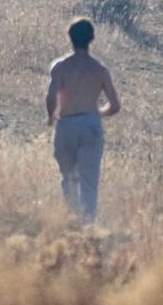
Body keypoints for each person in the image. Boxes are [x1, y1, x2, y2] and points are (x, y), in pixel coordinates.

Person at [46, 18, 120, 223]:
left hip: (66, 124)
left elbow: (51, 96)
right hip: (90, 125)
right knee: (89, 182)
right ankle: (88, 226)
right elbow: (115, 106)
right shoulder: (100, 69)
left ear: (70, 38)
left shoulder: (60, 67)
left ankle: (72, 218)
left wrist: (51, 116)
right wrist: (97, 113)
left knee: (68, 178)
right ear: (92, 38)